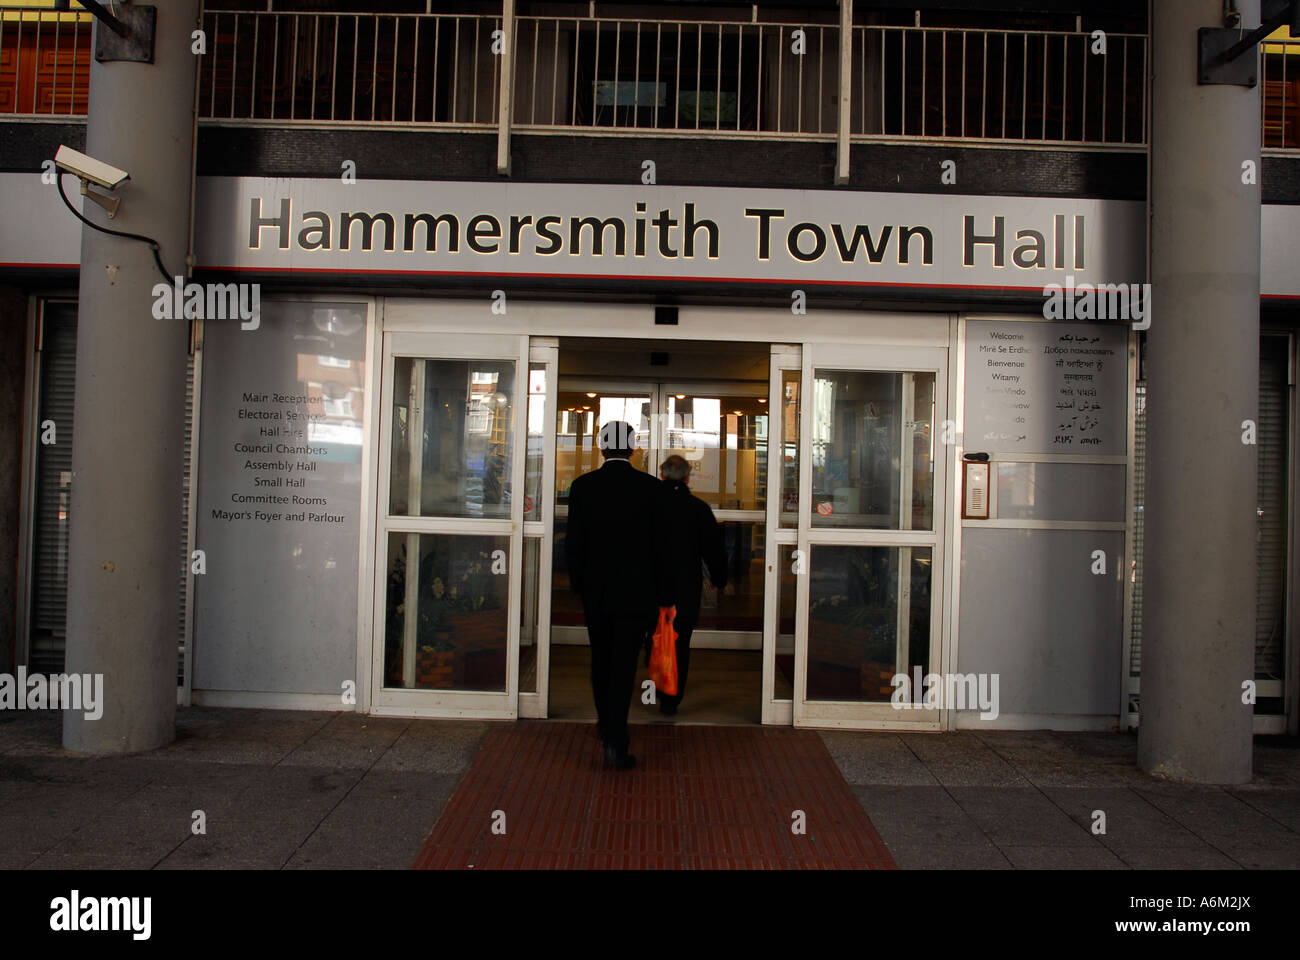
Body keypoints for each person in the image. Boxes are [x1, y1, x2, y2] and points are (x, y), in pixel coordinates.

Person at [565, 420, 664, 770]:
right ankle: (616, 740)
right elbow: (659, 549)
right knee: (623, 664)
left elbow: (573, 544)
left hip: (597, 592)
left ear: (601, 447)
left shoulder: (582, 487)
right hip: (637, 593)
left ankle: (606, 725)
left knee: (600, 659)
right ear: (634, 448)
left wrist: (578, 584)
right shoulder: (652, 489)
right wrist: (661, 594)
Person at [654, 454, 727, 716]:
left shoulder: (646, 505)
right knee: (679, 642)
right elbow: (714, 550)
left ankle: (652, 689)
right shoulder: (698, 508)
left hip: (650, 585)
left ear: (661, 476)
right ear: (687, 477)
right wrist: (719, 579)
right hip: (685, 585)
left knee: (652, 637)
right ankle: (670, 699)